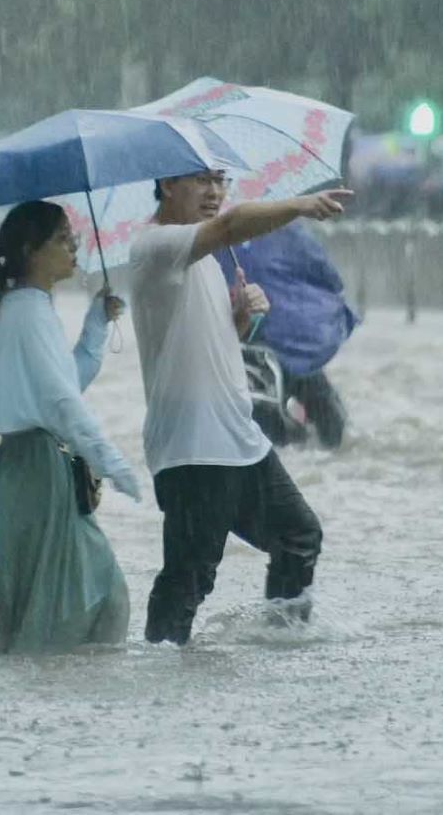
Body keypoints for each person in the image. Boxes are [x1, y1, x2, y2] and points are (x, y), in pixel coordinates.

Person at [128, 171, 352, 645]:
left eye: (221, 181)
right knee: (189, 578)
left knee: (299, 537)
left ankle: (278, 643)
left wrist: (240, 320)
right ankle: (157, 680)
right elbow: (231, 226)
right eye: (201, 182)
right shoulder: (158, 244)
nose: (215, 193)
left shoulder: (205, 258)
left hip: (239, 440)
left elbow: (205, 343)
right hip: (194, 448)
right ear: (168, 186)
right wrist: (298, 205)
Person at [0, 201, 144, 655]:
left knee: (45, 596)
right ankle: (54, 703)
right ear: (29, 250)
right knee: (96, 596)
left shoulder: (27, 308)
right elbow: (60, 403)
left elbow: (64, 385)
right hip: (38, 465)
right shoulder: (28, 313)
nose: (73, 246)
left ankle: (37, 698)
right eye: (61, 238)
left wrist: (96, 326)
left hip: (30, 465)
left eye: (71, 237)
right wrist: (113, 463)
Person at [231, 223, 358, 448]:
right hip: (292, 347)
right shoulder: (288, 231)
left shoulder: (209, 238)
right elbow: (328, 277)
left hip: (240, 352)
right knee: (331, 423)